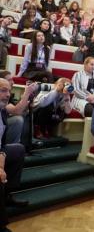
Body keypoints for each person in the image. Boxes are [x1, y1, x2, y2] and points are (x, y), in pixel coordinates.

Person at [0, 78, 28, 232]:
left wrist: (2, 154)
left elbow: (2, 144)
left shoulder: (2, 110)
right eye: (3, 90)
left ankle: (7, 195)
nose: (8, 94)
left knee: (17, 150)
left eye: (9, 91)